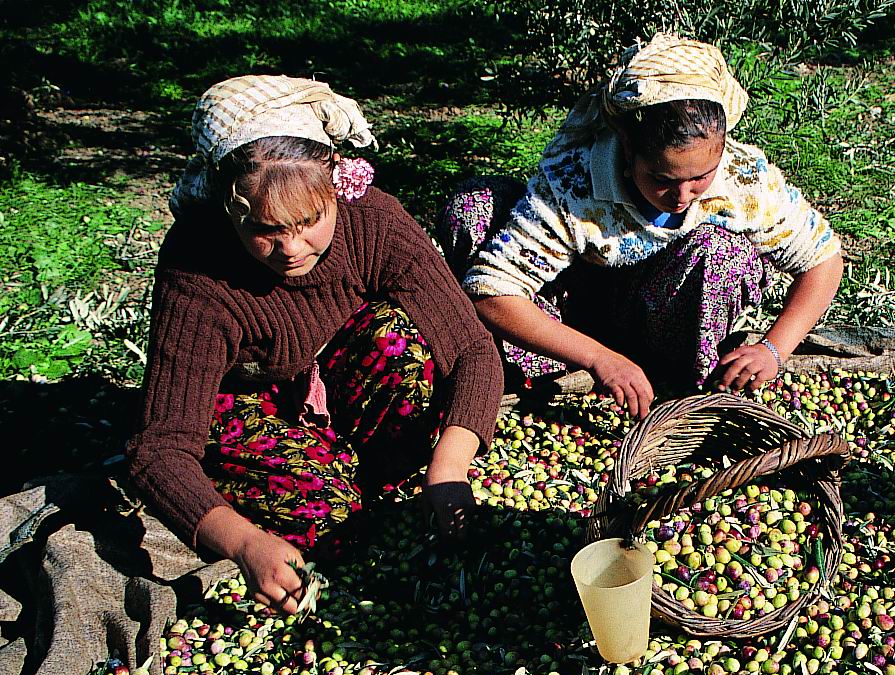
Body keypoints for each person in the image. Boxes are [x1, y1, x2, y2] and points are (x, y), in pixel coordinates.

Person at [127, 75, 504, 615]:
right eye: (265, 230)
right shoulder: (199, 271)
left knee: (398, 343)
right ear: (228, 210)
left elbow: (470, 349)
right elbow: (159, 449)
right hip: (242, 396)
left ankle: (371, 466)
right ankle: (330, 477)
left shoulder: (370, 220)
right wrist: (243, 544)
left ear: (337, 185)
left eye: (308, 222)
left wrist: (448, 468)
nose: (291, 249)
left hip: (327, 366)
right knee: (330, 518)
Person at [439, 33, 843, 418]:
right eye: (663, 180)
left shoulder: (742, 181)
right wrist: (599, 357)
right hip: (571, 318)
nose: (683, 196)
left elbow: (823, 258)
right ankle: (520, 377)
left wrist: (774, 349)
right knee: (475, 205)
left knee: (723, 252)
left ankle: (682, 385)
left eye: (700, 177)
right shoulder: (577, 182)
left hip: (666, 321)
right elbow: (491, 291)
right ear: (629, 151)